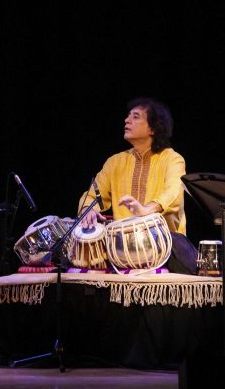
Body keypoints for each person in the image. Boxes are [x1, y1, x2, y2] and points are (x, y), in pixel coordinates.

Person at [77, 97, 196, 273]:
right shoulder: (115, 162)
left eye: (136, 116)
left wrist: (147, 209)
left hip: (166, 246)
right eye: (128, 116)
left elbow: (174, 193)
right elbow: (93, 196)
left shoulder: (172, 159)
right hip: (122, 248)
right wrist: (88, 210)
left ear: (153, 128)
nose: (127, 120)